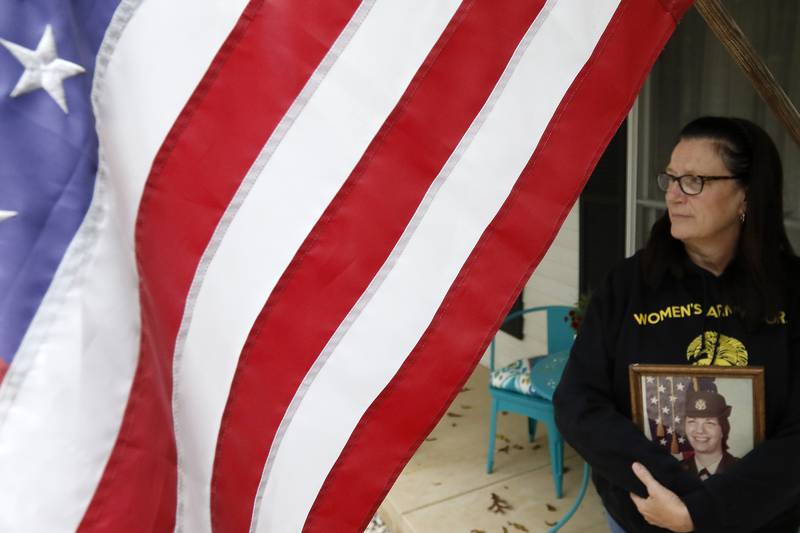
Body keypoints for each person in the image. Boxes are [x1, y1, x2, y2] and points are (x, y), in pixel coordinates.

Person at [553, 116, 800, 533]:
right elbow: (578, 402)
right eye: (670, 178)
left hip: (760, 522)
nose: (672, 195)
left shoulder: (792, 290)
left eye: (693, 181)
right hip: (646, 518)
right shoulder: (629, 284)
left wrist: (706, 512)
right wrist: (676, 493)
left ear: (746, 196)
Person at [679, 388, 738, 480]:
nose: (699, 430)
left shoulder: (742, 469)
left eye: (709, 423)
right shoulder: (676, 472)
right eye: (692, 422)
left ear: (723, 429)